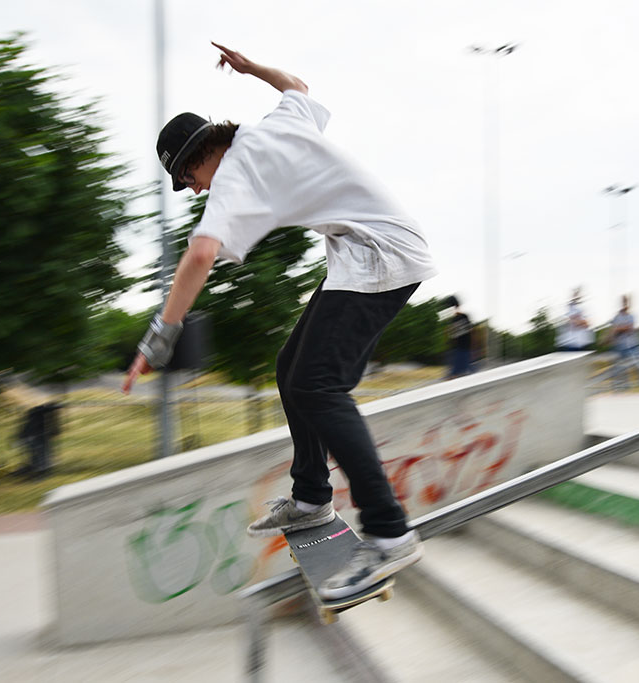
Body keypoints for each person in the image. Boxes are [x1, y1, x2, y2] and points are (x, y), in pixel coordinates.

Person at [122, 44, 437, 599]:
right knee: (291, 368)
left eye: (188, 179)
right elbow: (298, 86)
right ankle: (312, 495)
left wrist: (159, 337)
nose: (196, 190)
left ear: (200, 155)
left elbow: (198, 255)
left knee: (320, 385)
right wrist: (252, 69)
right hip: (367, 251)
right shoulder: (273, 126)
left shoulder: (239, 170)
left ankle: (390, 532)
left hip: (381, 256)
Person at [603, 295, 639, 390]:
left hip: (633, 345)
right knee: (620, 370)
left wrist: (619, 328)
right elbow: (614, 331)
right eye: (624, 302)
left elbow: (628, 328)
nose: (625, 305)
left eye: (626, 303)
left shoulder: (631, 316)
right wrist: (616, 331)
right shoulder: (617, 317)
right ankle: (619, 387)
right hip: (620, 347)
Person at [442, 296, 474, 379]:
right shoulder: (456, 318)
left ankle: (455, 374)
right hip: (458, 348)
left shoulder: (462, 317)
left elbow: (469, 331)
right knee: (458, 372)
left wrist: (452, 330)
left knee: (459, 373)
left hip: (463, 347)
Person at [556, 288, 593, 352]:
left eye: (577, 295)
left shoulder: (582, 308)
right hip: (570, 342)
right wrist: (575, 320)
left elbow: (586, 324)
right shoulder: (569, 307)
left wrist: (577, 321)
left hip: (581, 342)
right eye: (574, 295)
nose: (575, 297)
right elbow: (569, 321)